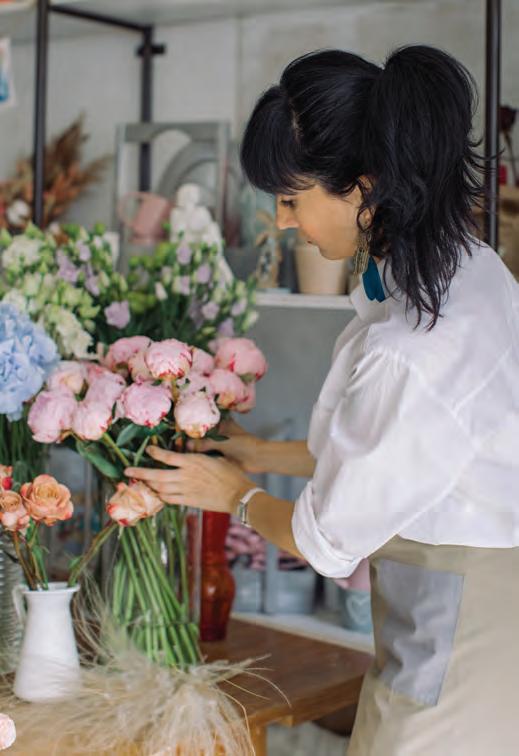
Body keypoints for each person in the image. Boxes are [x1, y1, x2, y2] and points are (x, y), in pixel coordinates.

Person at [127, 45, 519, 755]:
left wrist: (231, 494)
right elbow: (398, 458)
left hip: (460, 647)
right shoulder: (470, 271)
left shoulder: (413, 348)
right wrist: (257, 453)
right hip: (458, 626)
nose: (282, 223)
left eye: (291, 199)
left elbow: (324, 542)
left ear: (363, 189)